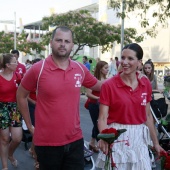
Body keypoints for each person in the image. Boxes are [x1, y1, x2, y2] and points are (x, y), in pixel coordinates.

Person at [17, 26, 102, 170]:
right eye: (59, 40)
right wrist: (30, 126)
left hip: (75, 141)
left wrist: (124, 77)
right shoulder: (38, 69)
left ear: (72, 45)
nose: (63, 44)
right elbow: (20, 96)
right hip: (47, 143)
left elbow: (100, 86)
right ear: (51, 43)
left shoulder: (80, 69)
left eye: (67, 41)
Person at [96, 43, 164, 170]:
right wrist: (104, 138)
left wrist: (156, 143)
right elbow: (103, 117)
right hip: (116, 138)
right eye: (123, 57)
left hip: (139, 140)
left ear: (139, 62)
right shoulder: (109, 85)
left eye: (130, 59)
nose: (124, 62)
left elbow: (148, 115)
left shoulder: (145, 83)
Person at [0, 53, 22, 170]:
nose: (17, 64)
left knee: (17, 138)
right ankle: (4, 167)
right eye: (15, 62)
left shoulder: (17, 76)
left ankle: (10, 154)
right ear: (8, 65)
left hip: (14, 108)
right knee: (4, 139)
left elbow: (24, 91)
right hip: (1, 108)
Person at [86, 61, 108, 153]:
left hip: (104, 105)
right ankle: (102, 146)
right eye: (105, 68)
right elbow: (88, 94)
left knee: (98, 123)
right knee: (97, 125)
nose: (107, 70)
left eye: (108, 68)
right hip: (94, 105)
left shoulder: (108, 79)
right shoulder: (93, 79)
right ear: (100, 69)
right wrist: (99, 98)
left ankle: (91, 142)